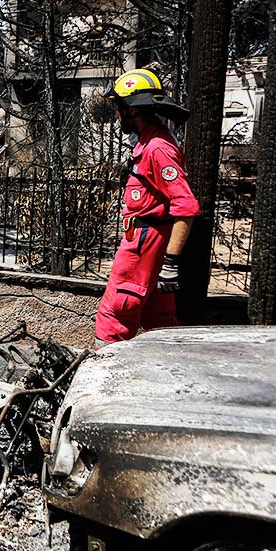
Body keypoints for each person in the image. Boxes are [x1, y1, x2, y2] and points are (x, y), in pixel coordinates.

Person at [95, 69, 199, 348]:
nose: (116, 116)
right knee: (159, 320)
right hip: (147, 245)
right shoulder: (149, 144)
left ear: (131, 110)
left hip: (143, 246)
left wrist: (170, 263)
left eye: (118, 108)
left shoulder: (157, 148)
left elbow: (186, 206)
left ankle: (101, 380)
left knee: (114, 316)